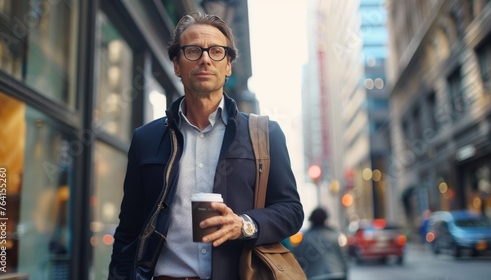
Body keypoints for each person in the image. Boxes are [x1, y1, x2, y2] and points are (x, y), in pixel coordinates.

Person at [108, 11, 304, 280]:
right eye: (192, 51)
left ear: (228, 65)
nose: (205, 59)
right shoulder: (147, 139)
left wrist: (244, 225)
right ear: (177, 64)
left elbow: (291, 211)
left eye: (216, 51)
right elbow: (129, 230)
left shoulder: (264, 134)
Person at [292, 207, 348, 280]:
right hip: (337, 274)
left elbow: (298, 258)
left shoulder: (306, 238)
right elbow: (342, 257)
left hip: (315, 276)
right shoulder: (334, 235)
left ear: (311, 221)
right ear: (325, 220)